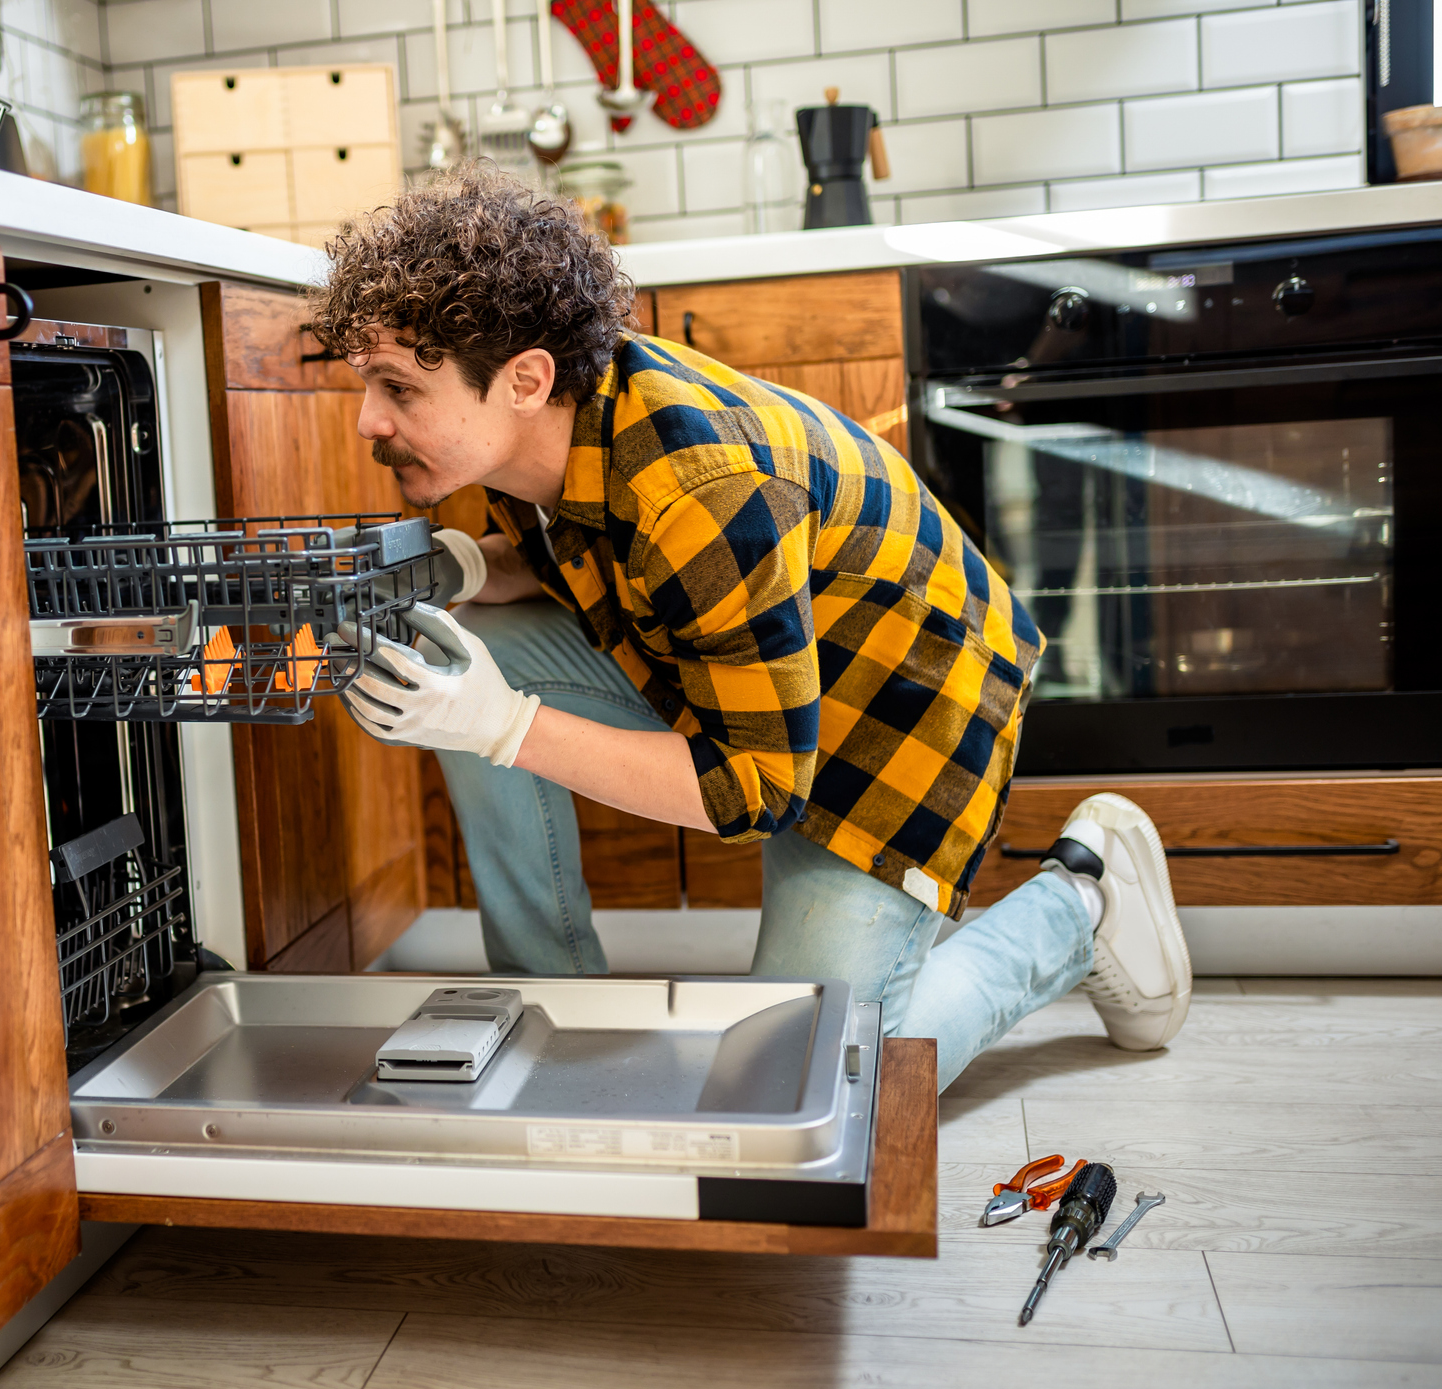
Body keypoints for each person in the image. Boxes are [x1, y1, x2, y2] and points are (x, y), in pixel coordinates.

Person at [310, 166, 1190, 1090]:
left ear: (524, 380)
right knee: (457, 660)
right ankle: (549, 1000)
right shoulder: (548, 425)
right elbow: (610, 547)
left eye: (398, 388)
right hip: (752, 662)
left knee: (819, 1080)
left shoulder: (700, 489)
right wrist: (481, 566)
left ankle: (1081, 906)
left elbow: (755, 789)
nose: (368, 419)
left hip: (898, 696)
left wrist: (496, 724)